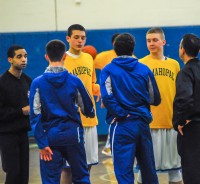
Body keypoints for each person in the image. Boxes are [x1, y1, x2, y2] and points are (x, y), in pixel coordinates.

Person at [29, 40, 94, 184]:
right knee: (81, 177)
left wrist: (41, 143)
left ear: (46, 57)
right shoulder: (75, 81)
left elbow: (35, 115)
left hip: (50, 137)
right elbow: (88, 108)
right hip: (73, 135)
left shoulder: (37, 83)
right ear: (65, 56)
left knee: (50, 180)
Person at [100, 33, 161, 184]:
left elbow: (107, 97)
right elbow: (155, 99)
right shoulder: (145, 69)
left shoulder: (108, 70)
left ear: (114, 49)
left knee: (123, 171)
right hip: (142, 123)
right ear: (133, 48)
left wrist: (121, 113)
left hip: (122, 125)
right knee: (148, 168)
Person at [137, 27, 183, 184]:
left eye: (155, 40)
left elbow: (179, 93)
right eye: (148, 41)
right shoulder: (141, 63)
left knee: (176, 172)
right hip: (149, 124)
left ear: (163, 41)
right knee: (145, 172)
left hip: (171, 123)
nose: (151, 43)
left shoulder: (174, 65)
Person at [62, 24, 100, 183]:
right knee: (68, 168)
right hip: (70, 121)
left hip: (90, 120)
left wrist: (98, 91)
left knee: (88, 164)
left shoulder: (89, 58)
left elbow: (92, 83)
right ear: (68, 38)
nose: (80, 41)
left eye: (83, 38)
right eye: (76, 37)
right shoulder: (62, 59)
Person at [0, 45, 32, 184]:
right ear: (10, 59)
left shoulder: (28, 81)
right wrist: (21, 111)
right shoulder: (2, 82)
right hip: (7, 135)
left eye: (25, 56)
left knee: (24, 174)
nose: (23, 59)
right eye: (19, 56)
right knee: (13, 173)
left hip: (23, 133)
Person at [173, 34, 200, 184]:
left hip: (192, 128)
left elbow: (184, 98)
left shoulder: (185, 72)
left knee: (192, 171)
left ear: (182, 50)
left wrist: (182, 120)